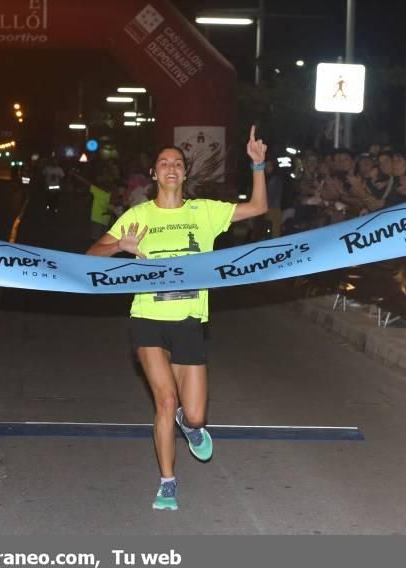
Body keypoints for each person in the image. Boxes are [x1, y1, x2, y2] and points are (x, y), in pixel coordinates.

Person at [86, 126, 268, 511]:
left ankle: (190, 425)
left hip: (189, 320)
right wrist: (121, 244)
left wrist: (258, 165)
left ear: (185, 174)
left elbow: (257, 207)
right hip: (148, 317)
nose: (171, 167)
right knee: (165, 401)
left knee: (196, 414)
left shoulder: (204, 212)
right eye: (163, 163)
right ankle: (167, 481)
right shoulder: (138, 215)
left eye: (178, 163)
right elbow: (91, 256)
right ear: (154, 174)